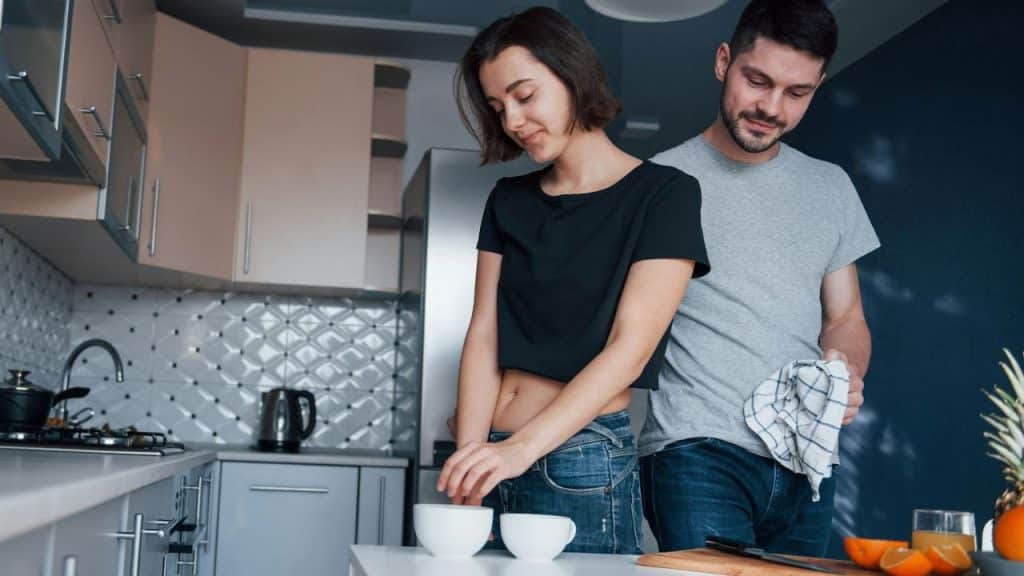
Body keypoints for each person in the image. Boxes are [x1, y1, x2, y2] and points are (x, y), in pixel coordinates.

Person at [436, 6, 710, 554]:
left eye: (524, 95)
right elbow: (484, 334)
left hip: (579, 459)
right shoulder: (508, 201)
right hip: (490, 451)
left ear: (573, 75)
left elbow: (630, 350)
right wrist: (472, 452)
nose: (512, 120)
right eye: (497, 107)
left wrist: (521, 450)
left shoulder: (666, 195)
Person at [640, 0, 879, 556]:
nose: (771, 107)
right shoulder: (659, 182)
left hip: (809, 459)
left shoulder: (831, 187)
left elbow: (845, 318)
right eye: (758, 81)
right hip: (696, 449)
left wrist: (846, 370)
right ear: (724, 61)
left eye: (797, 93)